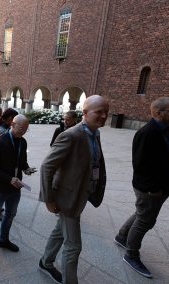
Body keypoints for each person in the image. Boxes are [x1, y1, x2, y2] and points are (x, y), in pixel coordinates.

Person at [38, 95, 109, 284]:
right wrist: (49, 199)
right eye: (99, 112)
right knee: (73, 246)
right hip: (66, 198)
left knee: (59, 232)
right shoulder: (71, 135)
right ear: (85, 113)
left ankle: (45, 262)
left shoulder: (96, 133)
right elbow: (47, 167)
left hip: (80, 195)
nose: (104, 116)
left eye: (106, 112)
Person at [114, 96, 169, 278]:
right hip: (150, 188)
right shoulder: (146, 133)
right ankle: (131, 254)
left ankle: (122, 236)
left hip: (163, 186)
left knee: (142, 214)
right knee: (145, 221)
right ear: (158, 113)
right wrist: (152, 189)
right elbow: (141, 165)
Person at [0, 114, 36, 253]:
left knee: (10, 214)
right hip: (0, 187)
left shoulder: (23, 142)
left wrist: (26, 168)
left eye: (26, 129)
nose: (23, 131)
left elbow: (21, 161)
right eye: (21, 128)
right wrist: (9, 179)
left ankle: (3, 240)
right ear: (13, 124)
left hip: (16, 187)